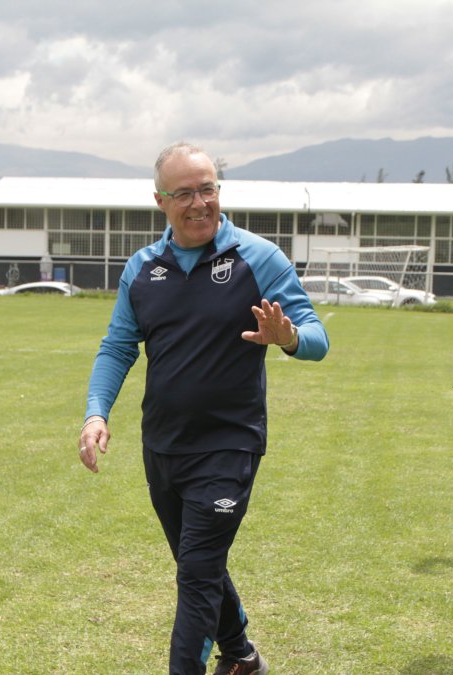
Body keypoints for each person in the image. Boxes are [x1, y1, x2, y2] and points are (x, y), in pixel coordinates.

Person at [78, 142, 328, 675]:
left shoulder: (260, 258)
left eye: (208, 189)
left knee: (195, 576)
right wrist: (96, 413)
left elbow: (317, 338)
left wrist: (287, 338)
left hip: (229, 447)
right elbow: (118, 347)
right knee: (200, 565)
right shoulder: (142, 269)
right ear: (160, 201)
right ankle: (242, 656)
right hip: (163, 448)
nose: (199, 203)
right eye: (184, 193)